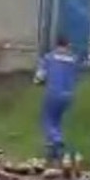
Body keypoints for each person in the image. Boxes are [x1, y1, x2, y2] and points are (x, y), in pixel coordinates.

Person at [34, 36, 78, 166]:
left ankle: (56, 141)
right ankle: (55, 152)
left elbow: (40, 77)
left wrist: (39, 82)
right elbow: (75, 77)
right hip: (68, 95)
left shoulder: (49, 58)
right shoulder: (73, 60)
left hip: (53, 93)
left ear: (56, 44)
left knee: (47, 120)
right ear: (68, 45)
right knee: (57, 121)